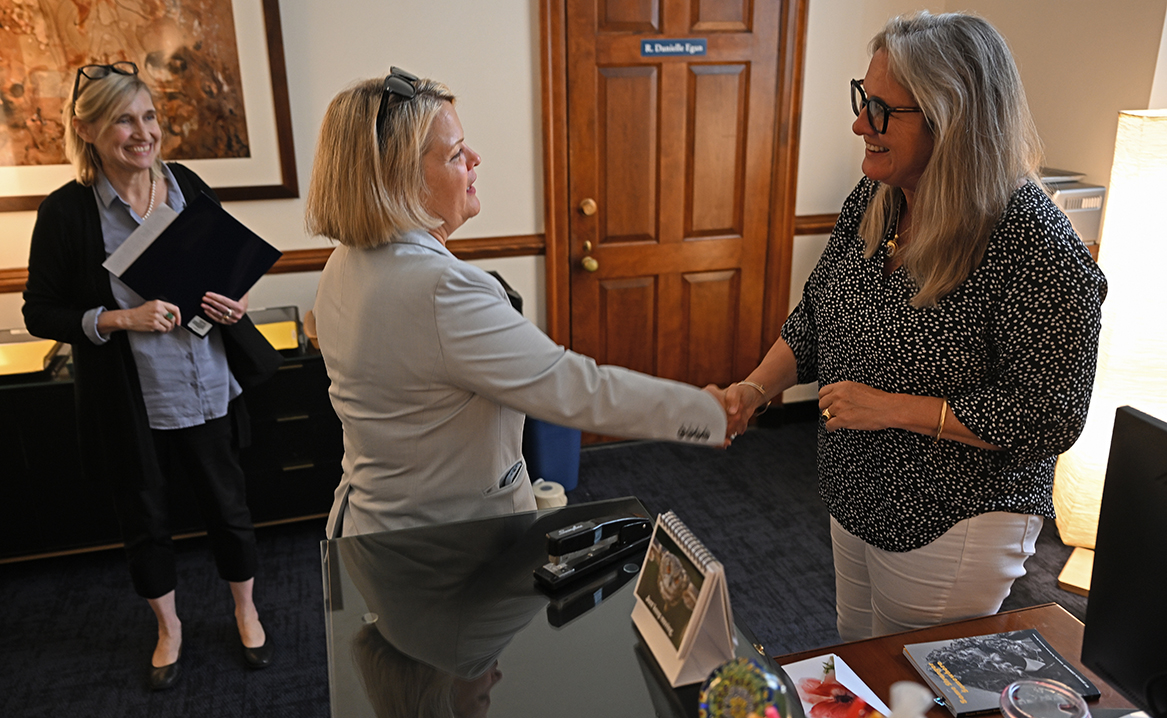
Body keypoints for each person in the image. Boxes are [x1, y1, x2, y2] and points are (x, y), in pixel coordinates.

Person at [719, 12, 1107, 640]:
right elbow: (819, 315)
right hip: (856, 487)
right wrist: (754, 390)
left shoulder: (1031, 242)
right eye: (861, 98)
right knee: (860, 663)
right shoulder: (878, 200)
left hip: (952, 515)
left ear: (950, 119)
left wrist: (895, 409)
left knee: (916, 690)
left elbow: (1050, 414)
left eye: (881, 110)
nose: (858, 123)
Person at [305, 68, 728, 537]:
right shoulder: (442, 290)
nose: (475, 159)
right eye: (455, 153)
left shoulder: (343, 261)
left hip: (370, 525)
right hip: (448, 545)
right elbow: (574, 388)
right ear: (401, 178)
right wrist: (707, 413)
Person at [22, 61, 282, 690]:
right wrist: (119, 317)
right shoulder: (69, 212)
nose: (142, 133)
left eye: (149, 117)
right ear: (87, 129)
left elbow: (220, 274)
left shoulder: (187, 184)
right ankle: (169, 628)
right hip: (133, 400)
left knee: (230, 509)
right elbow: (39, 312)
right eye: (123, 119)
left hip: (208, 384)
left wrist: (232, 303)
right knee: (144, 521)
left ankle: (246, 611)